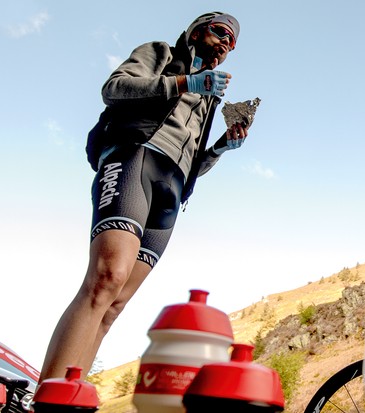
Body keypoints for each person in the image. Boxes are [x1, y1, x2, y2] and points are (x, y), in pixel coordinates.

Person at [39, 11, 249, 382]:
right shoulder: (162, 53)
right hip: (135, 155)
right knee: (106, 279)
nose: (225, 45)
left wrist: (220, 147)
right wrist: (186, 81)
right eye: (220, 33)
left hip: (173, 189)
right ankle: (49, 398)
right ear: (197, 31)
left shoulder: (210, 98)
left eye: (232, 43)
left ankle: (69, 396)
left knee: (114, 306)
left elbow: (192, 165)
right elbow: (114, 88)